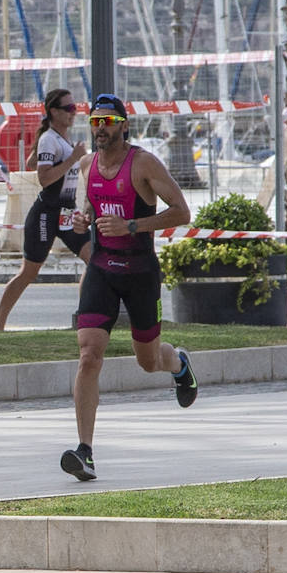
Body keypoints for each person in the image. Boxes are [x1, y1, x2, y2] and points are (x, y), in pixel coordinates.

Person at [60, 94, 198, 482]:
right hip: (102, 269)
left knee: (148, 360)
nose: (101, 129)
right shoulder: (87, 164)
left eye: (109, 122)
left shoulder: (143, 163)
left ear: (123, 125)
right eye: (95, 121)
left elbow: (182, 212)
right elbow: (85, 210)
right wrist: (80, 220)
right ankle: (85, 451)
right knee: (89, 355)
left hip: (139, 273)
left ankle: (179, 363)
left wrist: (133, 226)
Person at [0, 89, 90, 331]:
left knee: (94, 260)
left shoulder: (57, 138)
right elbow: (44, 178)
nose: (74, 113)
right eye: (69, 108)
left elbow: (35, 162)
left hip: (67, 212)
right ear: (54, 111)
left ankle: (86, 317)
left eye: (75, 108)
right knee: (28, 272)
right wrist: (74, 158)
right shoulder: (50, 139)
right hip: (46, 213)